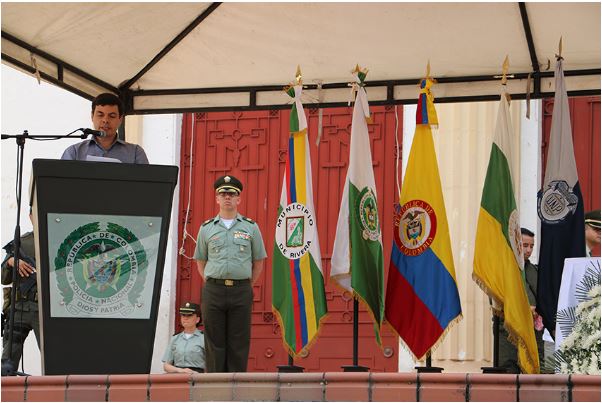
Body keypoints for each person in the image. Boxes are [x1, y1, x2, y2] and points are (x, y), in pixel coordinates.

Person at [193, 175, 267, 373]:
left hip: (241, 289)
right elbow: (201, 260)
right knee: (214, 339)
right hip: (214, 290)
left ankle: (236, 385)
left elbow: (258, 261)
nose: (227, 197)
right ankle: (215, 385)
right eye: (223, 193)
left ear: (238, 199)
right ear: (217, 198)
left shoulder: (251, 227)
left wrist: (247, 285)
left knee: (239, 340)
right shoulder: (206, 228)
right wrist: (211, 280)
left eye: (231, 194)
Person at [497, 227, 544, 373]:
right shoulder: (504, 269)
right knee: (509, 371)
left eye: (531, 246)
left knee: (534, 372)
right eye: (525, 245)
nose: (529, 250)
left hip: (533, 332)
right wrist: (523, 308)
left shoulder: (534, 271)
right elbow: (500, 298)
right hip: (510, 332)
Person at [61, 92, 149, 164]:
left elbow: (146, 184)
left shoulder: (135, 153)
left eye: (112, 116)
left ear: (120, 119)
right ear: (92, 116)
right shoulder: (74, 152)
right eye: (100, 115)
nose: (105, 120)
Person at [1, 225, 39, 370]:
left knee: (52, 357)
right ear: (31, 215)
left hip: (44, 310)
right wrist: (11, 262)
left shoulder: (58, 240)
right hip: (18, 309)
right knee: (8, 360)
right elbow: (3, 278)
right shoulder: (22, 242)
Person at [162, 302, 205, 374]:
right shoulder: (175, 338)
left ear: (197, 319)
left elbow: (210, 365)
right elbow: (166, 366)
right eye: (183, 315)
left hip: (197, 378)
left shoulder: (204, 339)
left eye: (189, 316)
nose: (185, 318)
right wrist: (180, 370)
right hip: (177, 378)